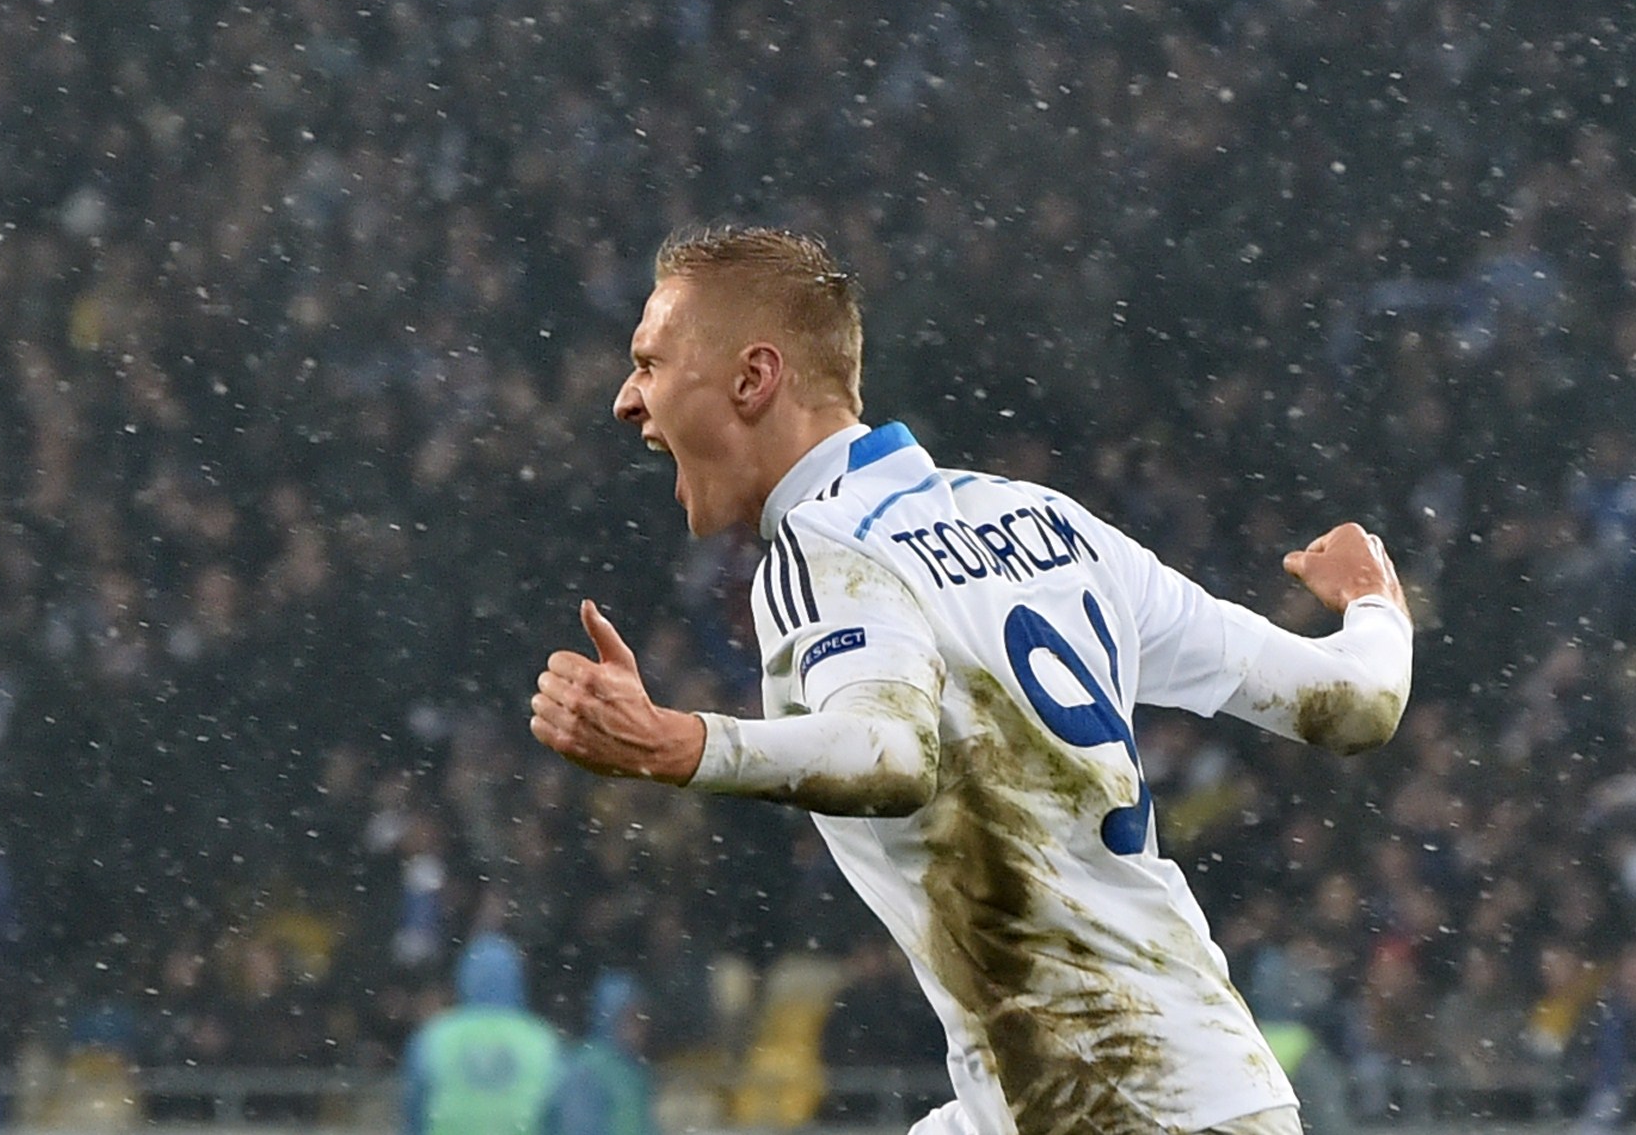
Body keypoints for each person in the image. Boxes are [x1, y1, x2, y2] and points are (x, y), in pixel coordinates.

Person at [529, 226, 1414, 1135]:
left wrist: (679, 743)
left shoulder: (824, 545)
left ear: (754, 379)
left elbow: (892, 753)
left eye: (649, 361)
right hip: (1212, 1085)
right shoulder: (1051, 524)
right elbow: (1358, 703)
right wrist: (1376, 604)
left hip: (1104, 1101)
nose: (626, 399)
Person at [401, 933, 563, 1135]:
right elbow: (558, 1115)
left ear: (464, 976)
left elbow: (415, 1109)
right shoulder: (541, 1039)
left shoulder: (436, 1036)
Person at [555, 970, 657, 1135]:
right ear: (609, 1016)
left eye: (642, 1019)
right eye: (631, 1018)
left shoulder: (635, 1071)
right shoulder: (587, 1069)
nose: (640, 1029)